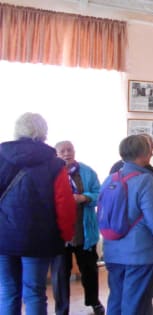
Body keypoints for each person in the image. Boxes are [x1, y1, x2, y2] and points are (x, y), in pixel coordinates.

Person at [0, 112, 76, 315]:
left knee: (7, 291)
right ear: (43, 133)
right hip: (39, 238)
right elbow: (64, 205)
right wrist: (66, 235)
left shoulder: (1, 156)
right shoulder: (54, 163)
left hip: (3, 236)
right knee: (34, 293)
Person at [103, 135, 153, 314]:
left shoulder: (110, 179)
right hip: (140, 253)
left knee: (116, 302)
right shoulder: (145, 180)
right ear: (144, 153)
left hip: (112, 251)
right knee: (136, 305)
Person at [51, 141, 105, 315]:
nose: (67, 153)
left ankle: (94, 301)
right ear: (56, 154)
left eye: (70, 150)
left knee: (89, 271)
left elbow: (100, 195)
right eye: (63, 151)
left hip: (84, 232)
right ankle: (62, 309)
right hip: (59, 234)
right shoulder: (50, 173)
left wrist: (84, 197)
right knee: (60, 275)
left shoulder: (87, 172)